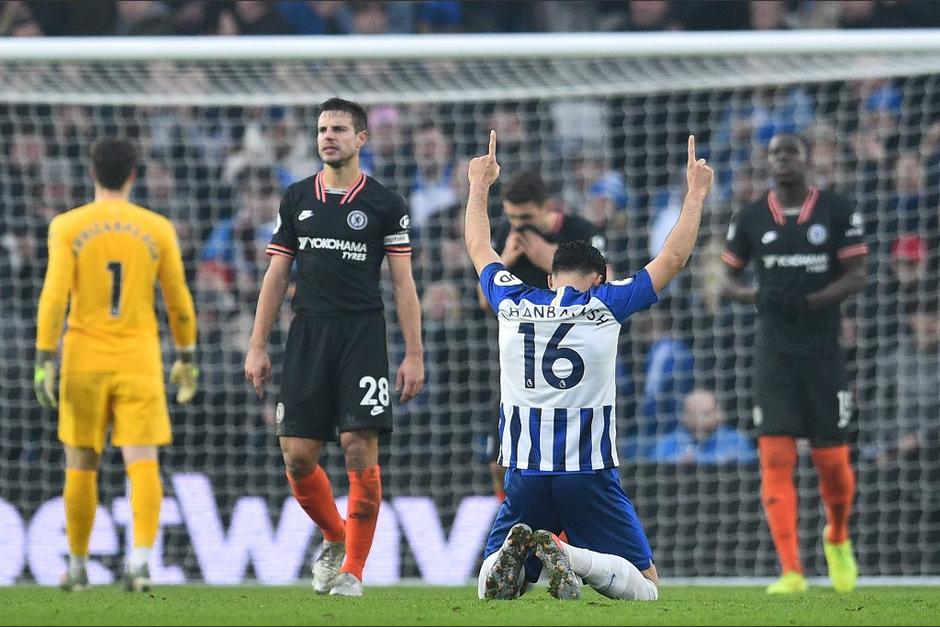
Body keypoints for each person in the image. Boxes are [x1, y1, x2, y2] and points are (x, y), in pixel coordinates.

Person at [467, 131, 713, 601]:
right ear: (599, 278)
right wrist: (696, 192)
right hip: (588, 472)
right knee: (648, 588)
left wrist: (479, 185)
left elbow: (479, 246)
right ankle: (572, 557)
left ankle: (515, 559)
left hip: (524, 469)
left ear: (551, 278)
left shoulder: (512, 302)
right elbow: (674, 257)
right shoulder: (606, 304)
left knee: (491, 590)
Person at [243, 97, 424, 597]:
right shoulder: (297, 197)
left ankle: (353, 571)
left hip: (362, 335)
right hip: (307, 333)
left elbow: (403, 283)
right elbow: (276, 274)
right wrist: (257, 345)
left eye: (339, 129)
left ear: (361, 138)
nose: (328, 136)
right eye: (323, 129)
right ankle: (334, 533)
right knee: (297, 455)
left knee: (358, 446)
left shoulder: (385, 204)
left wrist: (414, 354)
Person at [34, 138, 198, 592]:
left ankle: (78, 567)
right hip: (138, 358)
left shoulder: (68, 226)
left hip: (82, 359)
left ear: (92, 172)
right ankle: (141, 561)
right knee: (142, 461)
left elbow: (53, 296)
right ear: (132, 175)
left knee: (81, 463)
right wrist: (186, 356)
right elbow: (178, 300)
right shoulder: (156, 228)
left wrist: (44, 358)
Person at [721, 131, 868, 594]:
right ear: (767, 162)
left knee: (832, 461)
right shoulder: (750, 216)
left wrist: (811, 301)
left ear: (808, 160)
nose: (783, 159)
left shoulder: (837, 209)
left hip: (823, 350)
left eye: (791, 152)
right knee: (775, 456)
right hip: (774, 352)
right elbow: (727, 278)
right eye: (775, 153)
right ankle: (791, 571)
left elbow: (858, 274)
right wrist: (755, 296)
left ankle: (837, 536)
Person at [484, 170, 606, 503]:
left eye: (525, 218)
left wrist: (549, 260)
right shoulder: (506, 234)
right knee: (500, 461)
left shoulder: (581, 233)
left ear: (546, 206)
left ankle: (566, 531)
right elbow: (484, 299)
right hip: (521, 362)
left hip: (572, 363)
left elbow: (608, 289)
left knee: (567, 466)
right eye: (512, 217)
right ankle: (515, 522)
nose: (518, 226)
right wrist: (505, 260)